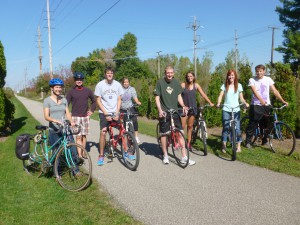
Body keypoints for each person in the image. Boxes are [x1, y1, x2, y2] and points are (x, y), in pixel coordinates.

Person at [154, 65, 195, 165]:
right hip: (164, 112)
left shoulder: (176, 82)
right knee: (164, 134)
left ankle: (184, 157)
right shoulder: (160, 82)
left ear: (173, 73)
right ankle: (165, 155)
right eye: (168, 73)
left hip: (175, 112)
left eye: (171, 73)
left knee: (180, 133)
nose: (169, 74)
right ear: (165, 73)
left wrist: (183, 106)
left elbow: (179, 96)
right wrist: (160, 110)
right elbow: (157, 98)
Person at [245, 64, 288, 149]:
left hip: (266, 105)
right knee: (253, 124)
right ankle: (248, 142)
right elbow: (255, 92)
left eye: (260, 71)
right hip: (256, 105)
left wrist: (283, 100)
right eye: (257, 71)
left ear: (264, 71)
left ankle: (264, 141)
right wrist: (261, 100)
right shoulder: (252, 80)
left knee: (267, 125)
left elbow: (275, 91)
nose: (259, 73)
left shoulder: (268, 79)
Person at [94, 67, 124, 166]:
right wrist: (105, 113)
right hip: (104, 112)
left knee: (123, 130)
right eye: (108, 73)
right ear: (105, 74)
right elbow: (98, 100)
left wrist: (117, 112)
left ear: (113, 74)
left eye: (111, 73)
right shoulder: (100, 85)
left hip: (115, 111)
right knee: (103, 132)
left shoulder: (118, 85)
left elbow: (119, 99)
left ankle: (126, 150)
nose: (109, 75)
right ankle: (101, 154)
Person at [216, 69, 249, 153]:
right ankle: (223, 145)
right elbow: (220, 96)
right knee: (226, 128)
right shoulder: (224, 85)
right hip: (226, 110)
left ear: (235, 76)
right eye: (230, 75)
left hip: (236, 110)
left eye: (233, 75)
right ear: (227, 76)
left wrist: (245, 103)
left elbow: (241, 98)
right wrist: (219, 103)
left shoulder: (239, 85)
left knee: (237, 128)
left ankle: (238, 146)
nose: (231, 77)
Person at [180, 71, 214, 150]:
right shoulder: (183, 85)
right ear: (186, 77)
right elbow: (177, 95)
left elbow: (203, 94)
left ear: (194, 77)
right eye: (188, 76)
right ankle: (179, 141)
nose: (189, 78)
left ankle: (188, 143)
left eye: (191, 76)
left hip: (193, 108)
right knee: (182, 126)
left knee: (190, 126)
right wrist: (181, 105)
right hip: (184, 109)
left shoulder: (196, 85)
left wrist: (210, 102)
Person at [66, 72, 96, 160]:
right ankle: (79, 155)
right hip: (75, 117)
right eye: (77, 80)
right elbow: (66, 104)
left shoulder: (87, 90)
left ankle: (83, 152)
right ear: (75, 81)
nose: (79, 81)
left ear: (82, 80)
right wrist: (68, 115)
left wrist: (91, 110)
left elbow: (94, 101)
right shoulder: (71, 92)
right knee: (78, 136)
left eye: (80, 80)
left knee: (84, 136)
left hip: (85, 116)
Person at [43, 78, 75, 150]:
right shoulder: (47, 100)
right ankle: (55, 161)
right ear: (52, 88)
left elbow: (67, 113)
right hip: (54, 129)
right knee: (56, 151)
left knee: (72, 147)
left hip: (64, 128)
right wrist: (56, 121)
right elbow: (46, 116)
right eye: (56, 87)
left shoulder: (64, 100)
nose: (59, 89)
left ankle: (74, 161)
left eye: (60, 87)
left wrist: (71, 121)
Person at [120, 77, 142, 144]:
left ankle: (136, 136)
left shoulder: (132, 89)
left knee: (134, 120)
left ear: (129, 83)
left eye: (127, 82)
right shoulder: (120, 89)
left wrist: (137, 102)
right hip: (122, 108)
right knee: (122, 123)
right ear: (122, 83)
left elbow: (134, 97)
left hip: (130, 107)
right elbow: (118, 99)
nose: (126, 83)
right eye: (124, 82)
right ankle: (124, 136)